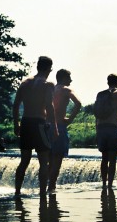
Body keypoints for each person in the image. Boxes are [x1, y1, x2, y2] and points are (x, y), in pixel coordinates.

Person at [13, 56, 58, 197]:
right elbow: (50, 106)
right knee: (43, 161)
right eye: (50, 69)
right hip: (39, 123)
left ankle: (17, 192)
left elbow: (15, 105)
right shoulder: (47, 84)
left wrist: (16, 124)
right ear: (47, 68)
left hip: (26, 123)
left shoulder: (25, 83)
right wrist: (55, 127)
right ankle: (42, 193)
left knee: (24, 161)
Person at [48, 69, 82, 195]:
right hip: (60, 126)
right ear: (63, 78)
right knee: (57, 160)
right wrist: (70, 119)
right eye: (69, 78)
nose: (71, 80)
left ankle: (45, 189)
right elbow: (78, 103)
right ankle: (51, 189)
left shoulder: (50, 89)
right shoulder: (66, 90)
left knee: (49, 160)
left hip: (47, 126)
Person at [94, 73, 117, 189]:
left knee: (104, 158)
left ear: (107, 82)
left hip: (101, 128)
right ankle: (110, 185)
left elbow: (96, 114)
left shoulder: (100, 94)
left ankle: (103, 184)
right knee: (112, 159)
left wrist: (96, 130)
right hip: (112, 128)